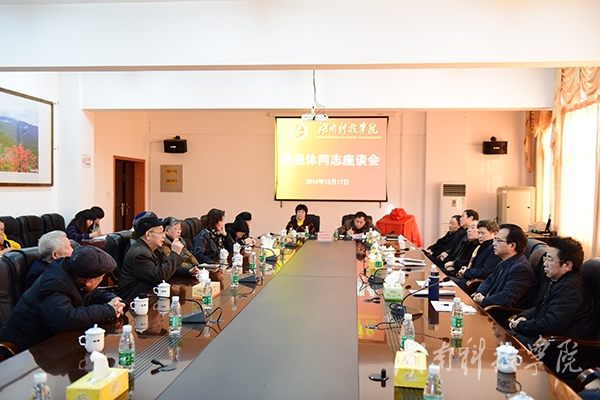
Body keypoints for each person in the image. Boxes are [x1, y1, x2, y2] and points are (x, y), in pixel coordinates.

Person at [0, 246, 126, 352]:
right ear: (89, 281)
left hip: (56, 341)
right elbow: (67, 318)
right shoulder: (53, 284)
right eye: (101, 278)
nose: (101, 281)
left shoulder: (73, 273)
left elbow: (94, 293)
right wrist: (109, 310)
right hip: (27, 348)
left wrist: (116, 301)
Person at [509, 237, 592, 349]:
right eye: (546, 258)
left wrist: (520, 326)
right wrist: (524, 316)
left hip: (556, 346)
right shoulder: (562, 281)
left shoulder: (570, 288)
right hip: (542, 339)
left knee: (501, 337)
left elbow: (551, 325)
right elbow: (543, 306)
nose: (545, 264)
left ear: (567, 265)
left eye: (550, 260)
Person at [117, 216, 199, 302]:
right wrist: (175, 253)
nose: (164, 236)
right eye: (160, 232)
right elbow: (160, 277)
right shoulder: (139, 254)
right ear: (148, 235)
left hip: (152, 296)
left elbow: (168, 268)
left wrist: (188, 271)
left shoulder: (155, 248)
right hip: (134, 301)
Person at [472, 223, 536, 309]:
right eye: (494, 239)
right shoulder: (505, 261)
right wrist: (480, 293)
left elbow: (506, 298)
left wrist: (483, 300)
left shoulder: (521, 269)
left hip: (500, 313)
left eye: (498, 240)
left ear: (512, 246)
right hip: (490, 307)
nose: (494, 244)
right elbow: (488, 280)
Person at [451, 219, 501, 290]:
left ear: (495, 234)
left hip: (476, 284)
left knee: (445, 281)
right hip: (469, 279)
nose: (479, 236)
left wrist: (466, 272)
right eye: (479, 233)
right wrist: (466, 269)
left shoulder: (493, 249)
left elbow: (486, 272)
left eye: (482, 233)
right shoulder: (481, 246)